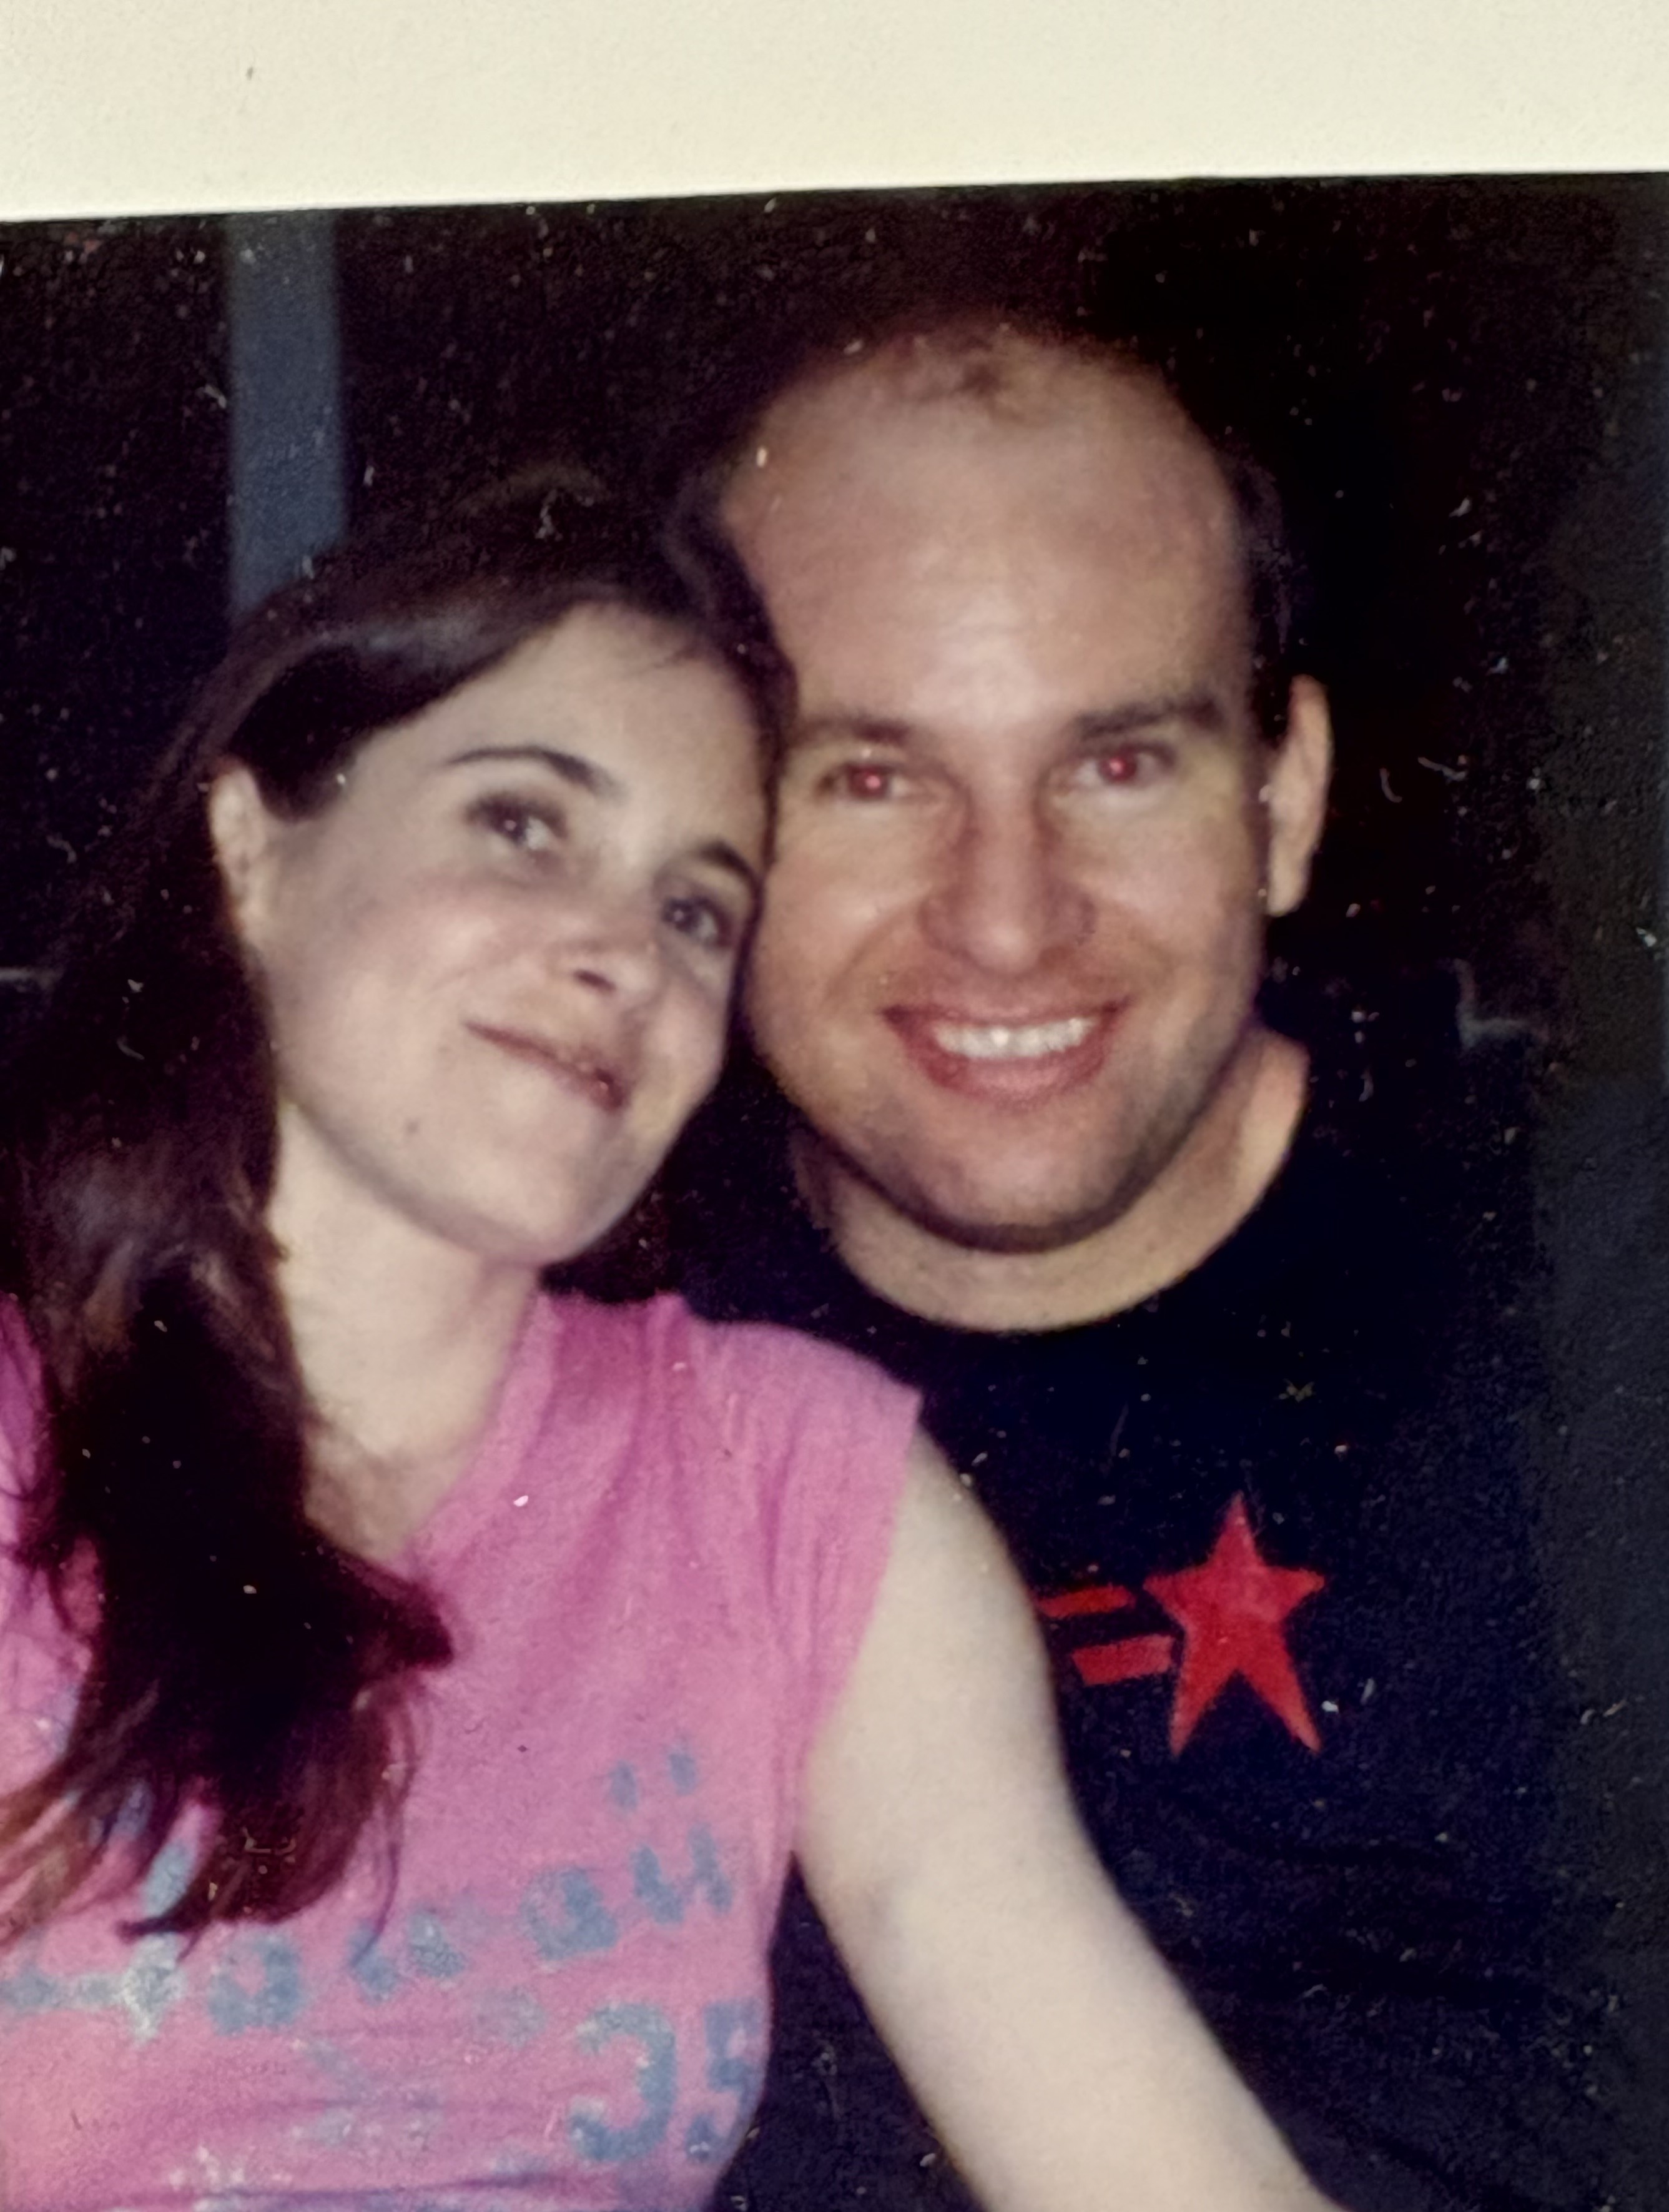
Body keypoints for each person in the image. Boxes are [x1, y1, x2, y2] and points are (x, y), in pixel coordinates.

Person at [0, 468, 1338, 2212]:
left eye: (694, 906)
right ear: (255, 852)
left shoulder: (789, 1488)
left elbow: (1139, 2156)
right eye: (522, 827)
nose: (618, 952)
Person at [671, 320, 1623, 2212]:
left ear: (1280, 798)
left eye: (1114, 760)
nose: (1006, 916)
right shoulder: (541, 1359)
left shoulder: (1602, 1301)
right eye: (866, 780)